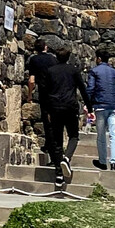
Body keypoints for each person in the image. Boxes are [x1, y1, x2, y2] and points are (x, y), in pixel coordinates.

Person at [45, 45, 91, 187]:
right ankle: (67, 158)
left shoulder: (50, 71)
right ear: (68, 57)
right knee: (73, 136)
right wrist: (90, 108)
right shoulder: (73, 71)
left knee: (57, 141)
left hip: (55, 107)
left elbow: (46, 91)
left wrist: (47, 110)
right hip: (70, 107)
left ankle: (59, 174)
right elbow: (83, 90)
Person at [86, 47, 115, 171]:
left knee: (101, 135)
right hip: (114, 106)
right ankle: (114, 162)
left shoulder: (94, 71)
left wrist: (88, 105)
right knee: (114, 134)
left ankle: (102, 161)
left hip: (100, 106)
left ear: (99, 59)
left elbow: (90, 89)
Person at [26, 36, 58, 172]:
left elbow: (32, 80)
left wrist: (29, 95)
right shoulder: (53, 59)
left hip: (44, 94)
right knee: (55, 124)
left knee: (47, 124)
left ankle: (51, 150)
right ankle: (55, 150)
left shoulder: (33, 60)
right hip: (56, 93)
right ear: (45, 47)